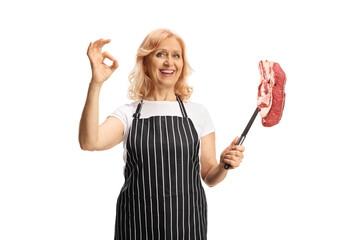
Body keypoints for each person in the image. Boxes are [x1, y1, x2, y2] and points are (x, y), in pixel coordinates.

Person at [78, 28, 245, 240]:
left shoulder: (198, 113)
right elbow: (89, 142)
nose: (169, 62)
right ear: (145, 63)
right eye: (160, 54)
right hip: (136, 226)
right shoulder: (128, 114)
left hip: (187, 225)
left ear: (182, 65)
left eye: (176, 55)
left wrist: (223, 166)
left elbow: (209, 177)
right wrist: (96, 83)